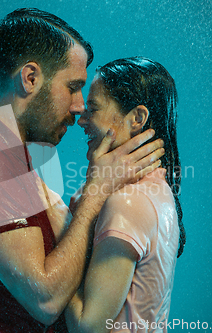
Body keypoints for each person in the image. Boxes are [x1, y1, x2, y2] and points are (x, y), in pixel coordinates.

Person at [0, 9, 165, 333]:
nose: (81, 105)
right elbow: (45, 299)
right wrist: (97, 192)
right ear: (30, 78)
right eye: (72, 86)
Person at [65, 57, 186, 333]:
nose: (80, 119)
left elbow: (88, 326)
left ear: (136, 119)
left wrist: (68, 221)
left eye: (92, 108)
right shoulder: (158, 190)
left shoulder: (126, 203)